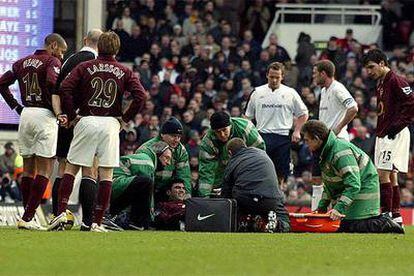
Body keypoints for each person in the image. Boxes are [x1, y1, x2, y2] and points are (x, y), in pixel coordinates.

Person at [49, 31, 146, 232]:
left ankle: (60, 214)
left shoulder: (86, 66)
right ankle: (97, 222)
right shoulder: (124, 70)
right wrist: (125, 119)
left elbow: (65, 88)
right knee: (106, 174)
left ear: (98, 47)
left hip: (86, 119)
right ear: (117, 49)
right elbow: (140, 96)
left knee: (71, 168)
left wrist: (71, 114)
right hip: (110, 122)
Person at [0, 33, 67, 230]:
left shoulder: (21, 62)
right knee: (45, 169)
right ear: (53, 45)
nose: (61, 57)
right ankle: (28, 218)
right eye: (61, 52)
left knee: (28, 170)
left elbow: (2, 84)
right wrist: (61, 106)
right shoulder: (52, 61)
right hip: (45, 115)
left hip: (26, 114)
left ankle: (26, 215)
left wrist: (16, 107)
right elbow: (52, 82)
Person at [302, 120, 404, 233]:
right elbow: (329, 186)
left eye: (307, 140)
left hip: (363, 195)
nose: (306, 144)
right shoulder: (325, 153)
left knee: (352, 227)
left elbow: (353, 185)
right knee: (342, 227)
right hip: (354, 194)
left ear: (316, 138)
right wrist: (321, 209)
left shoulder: (340, 152)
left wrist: (338, 208)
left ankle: (386, 224)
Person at [51, 29, 103, 230]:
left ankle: (58, 218)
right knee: (90, 169)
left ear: (84, 40)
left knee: (63, 169)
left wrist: (61, 115)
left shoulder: (68, 60)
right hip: (84, 120)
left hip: (65, 120)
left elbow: (57, 92)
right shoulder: (95, 64)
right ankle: (88, 222)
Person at [362, 49, 414, 225]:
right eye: (367, 68)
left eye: (371, 67)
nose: (369, 71)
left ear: (382, 64)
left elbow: (411, 103)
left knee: (382, 173)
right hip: (384, 132)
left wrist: (397, 126)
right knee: (391, 175)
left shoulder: (396, 80)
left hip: (394, 133)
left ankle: (385, 215)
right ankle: (396, 215)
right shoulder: (381, 83)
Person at [245, 62, 308, 186]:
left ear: (282, 76)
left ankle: (278, 200)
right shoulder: (257, 92)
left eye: (277, 77)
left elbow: (303, 114)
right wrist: (249, 133)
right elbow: (247, 116)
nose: (274, 80)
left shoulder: (291, 93)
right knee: (261, 171)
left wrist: (297, 131)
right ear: (267, 75)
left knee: (281, 173)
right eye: (271, 77)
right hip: (262, 136)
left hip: (283, 137)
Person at [221, 138, 290, 233]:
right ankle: (280, 224)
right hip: (271, 198)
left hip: (246, 198)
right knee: (283, 216)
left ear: (230, 152)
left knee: (236, 204)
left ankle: (243, 222)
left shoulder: (233, 161)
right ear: (245, 146)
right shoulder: (262, 153)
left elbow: (226, 189)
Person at [198, 111, 265, 197]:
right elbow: (207, 172)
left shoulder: (246, 130)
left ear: (230, 125)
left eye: (224, 130)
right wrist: (205, 199)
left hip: (247, 164)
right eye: (218, 132)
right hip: (222, 169)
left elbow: (260, 157)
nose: (222, 135)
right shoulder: (208, 142)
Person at [110, 141, 172, 230]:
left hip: (113, 184)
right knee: (146, 182)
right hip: (115, 185)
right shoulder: (147, 162)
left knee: (144, 183)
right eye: (167, 158)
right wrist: (149, 221)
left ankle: (133, 221)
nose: (168, 163)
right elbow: (147, 196)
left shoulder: (146, 159)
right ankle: (136, 222)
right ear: (158, 154)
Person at [136, 117, 191, 202]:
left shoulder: (180, 151)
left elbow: (184, 176)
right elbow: (143, 180)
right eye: (173, 136)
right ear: (162, 134)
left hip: (166, 189)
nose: (176, 140)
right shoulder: (146, 150)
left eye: (179, 137)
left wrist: (186, 201)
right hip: (147, 188)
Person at [313, 60, 358, 141]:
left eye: (315, 73)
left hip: (338, 139)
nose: (313, 76)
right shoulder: (323, 91)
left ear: (323, 74)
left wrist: (338, 128)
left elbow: (353, 108)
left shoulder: (337, 88)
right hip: (326, 139)